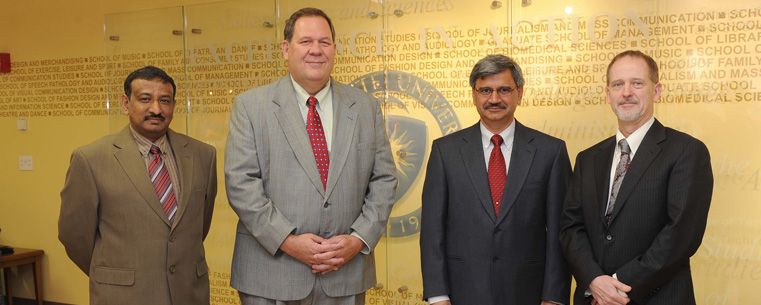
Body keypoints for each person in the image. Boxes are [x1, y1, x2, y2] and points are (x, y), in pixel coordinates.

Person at [224, 7, 397, 305]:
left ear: (334, 48)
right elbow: (241, 184)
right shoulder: (250, 106)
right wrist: (288, 242)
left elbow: (384, 180)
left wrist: (358, 240)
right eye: (306, 42)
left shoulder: (366, 107)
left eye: (324, 42)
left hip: (345, 273)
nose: (316, 50)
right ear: (286, 49)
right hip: (271, 275)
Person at [559, 50, 713, 305]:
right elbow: (570, 227)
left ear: (656, 91)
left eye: (637, 83)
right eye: (618, 84)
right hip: (593, 297)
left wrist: (618, 287)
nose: (626, 92)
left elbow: (680, 235)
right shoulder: (587, 159)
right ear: (608, 94)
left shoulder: (686, 151)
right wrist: (594, 279)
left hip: (657, 297)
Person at [59, 66, 217, 305]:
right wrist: (113, 274)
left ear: (174, 105)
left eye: (164, 100)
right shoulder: (91, 159)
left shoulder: (203, 155)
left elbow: (199, 226)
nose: (156, 109)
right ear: (125, 104)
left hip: (188, 293)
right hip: (123, 295)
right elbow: (74, 236)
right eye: (145, 99)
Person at [420, 54, 571, 305]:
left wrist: (553, 298)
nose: (494, 99)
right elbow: (432, 231)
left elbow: (560, 232)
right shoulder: (445, 151)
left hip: (529, 294)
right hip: (462, 294)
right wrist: (438, 296)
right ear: (473, 94)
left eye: (503, 90)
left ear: (519, 93)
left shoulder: (550, 152)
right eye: (485, 90)